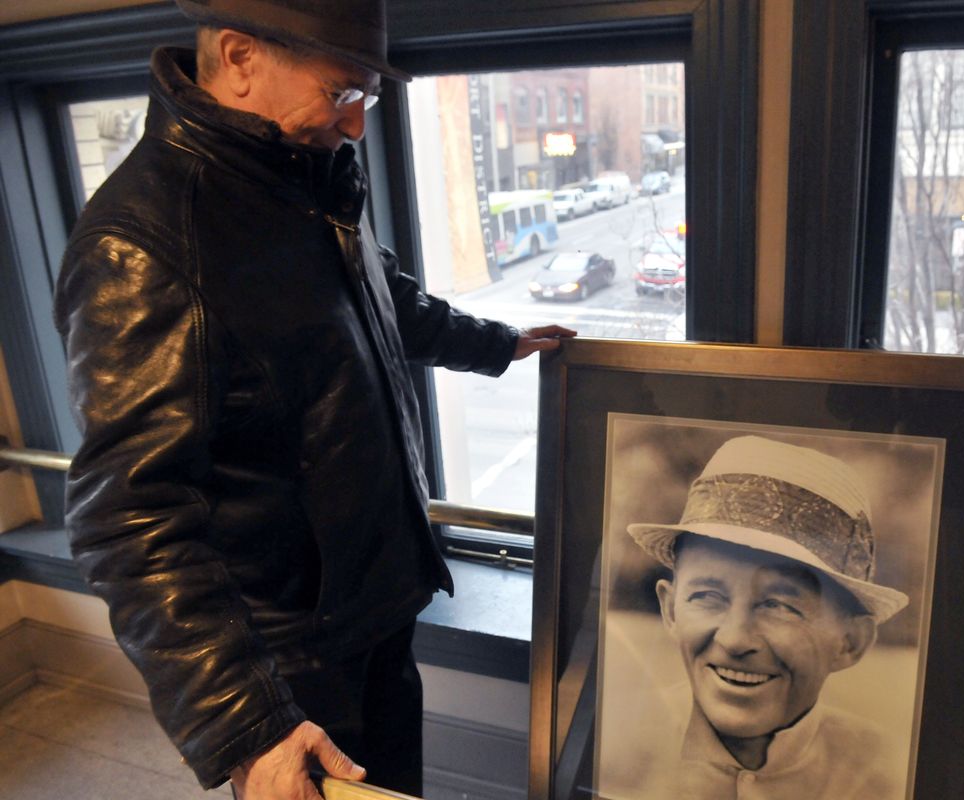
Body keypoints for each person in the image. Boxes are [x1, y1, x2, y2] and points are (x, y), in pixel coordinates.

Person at [51, 1, 574, 798]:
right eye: (341, 94)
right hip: (283, 660)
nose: (357, 125)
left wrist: (497, 344)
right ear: (239, 57)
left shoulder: (304, 177)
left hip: (375, 605)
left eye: (367, 97)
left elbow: (377, 301)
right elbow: (126, 517)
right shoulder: (144, 241)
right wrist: (247, 722)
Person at [623, 435, 911, 799]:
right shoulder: (618, 746)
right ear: (670, 609)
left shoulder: (887, 779)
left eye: (779, 606)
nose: (736, 639)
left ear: (849, 642)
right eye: (707, 596)